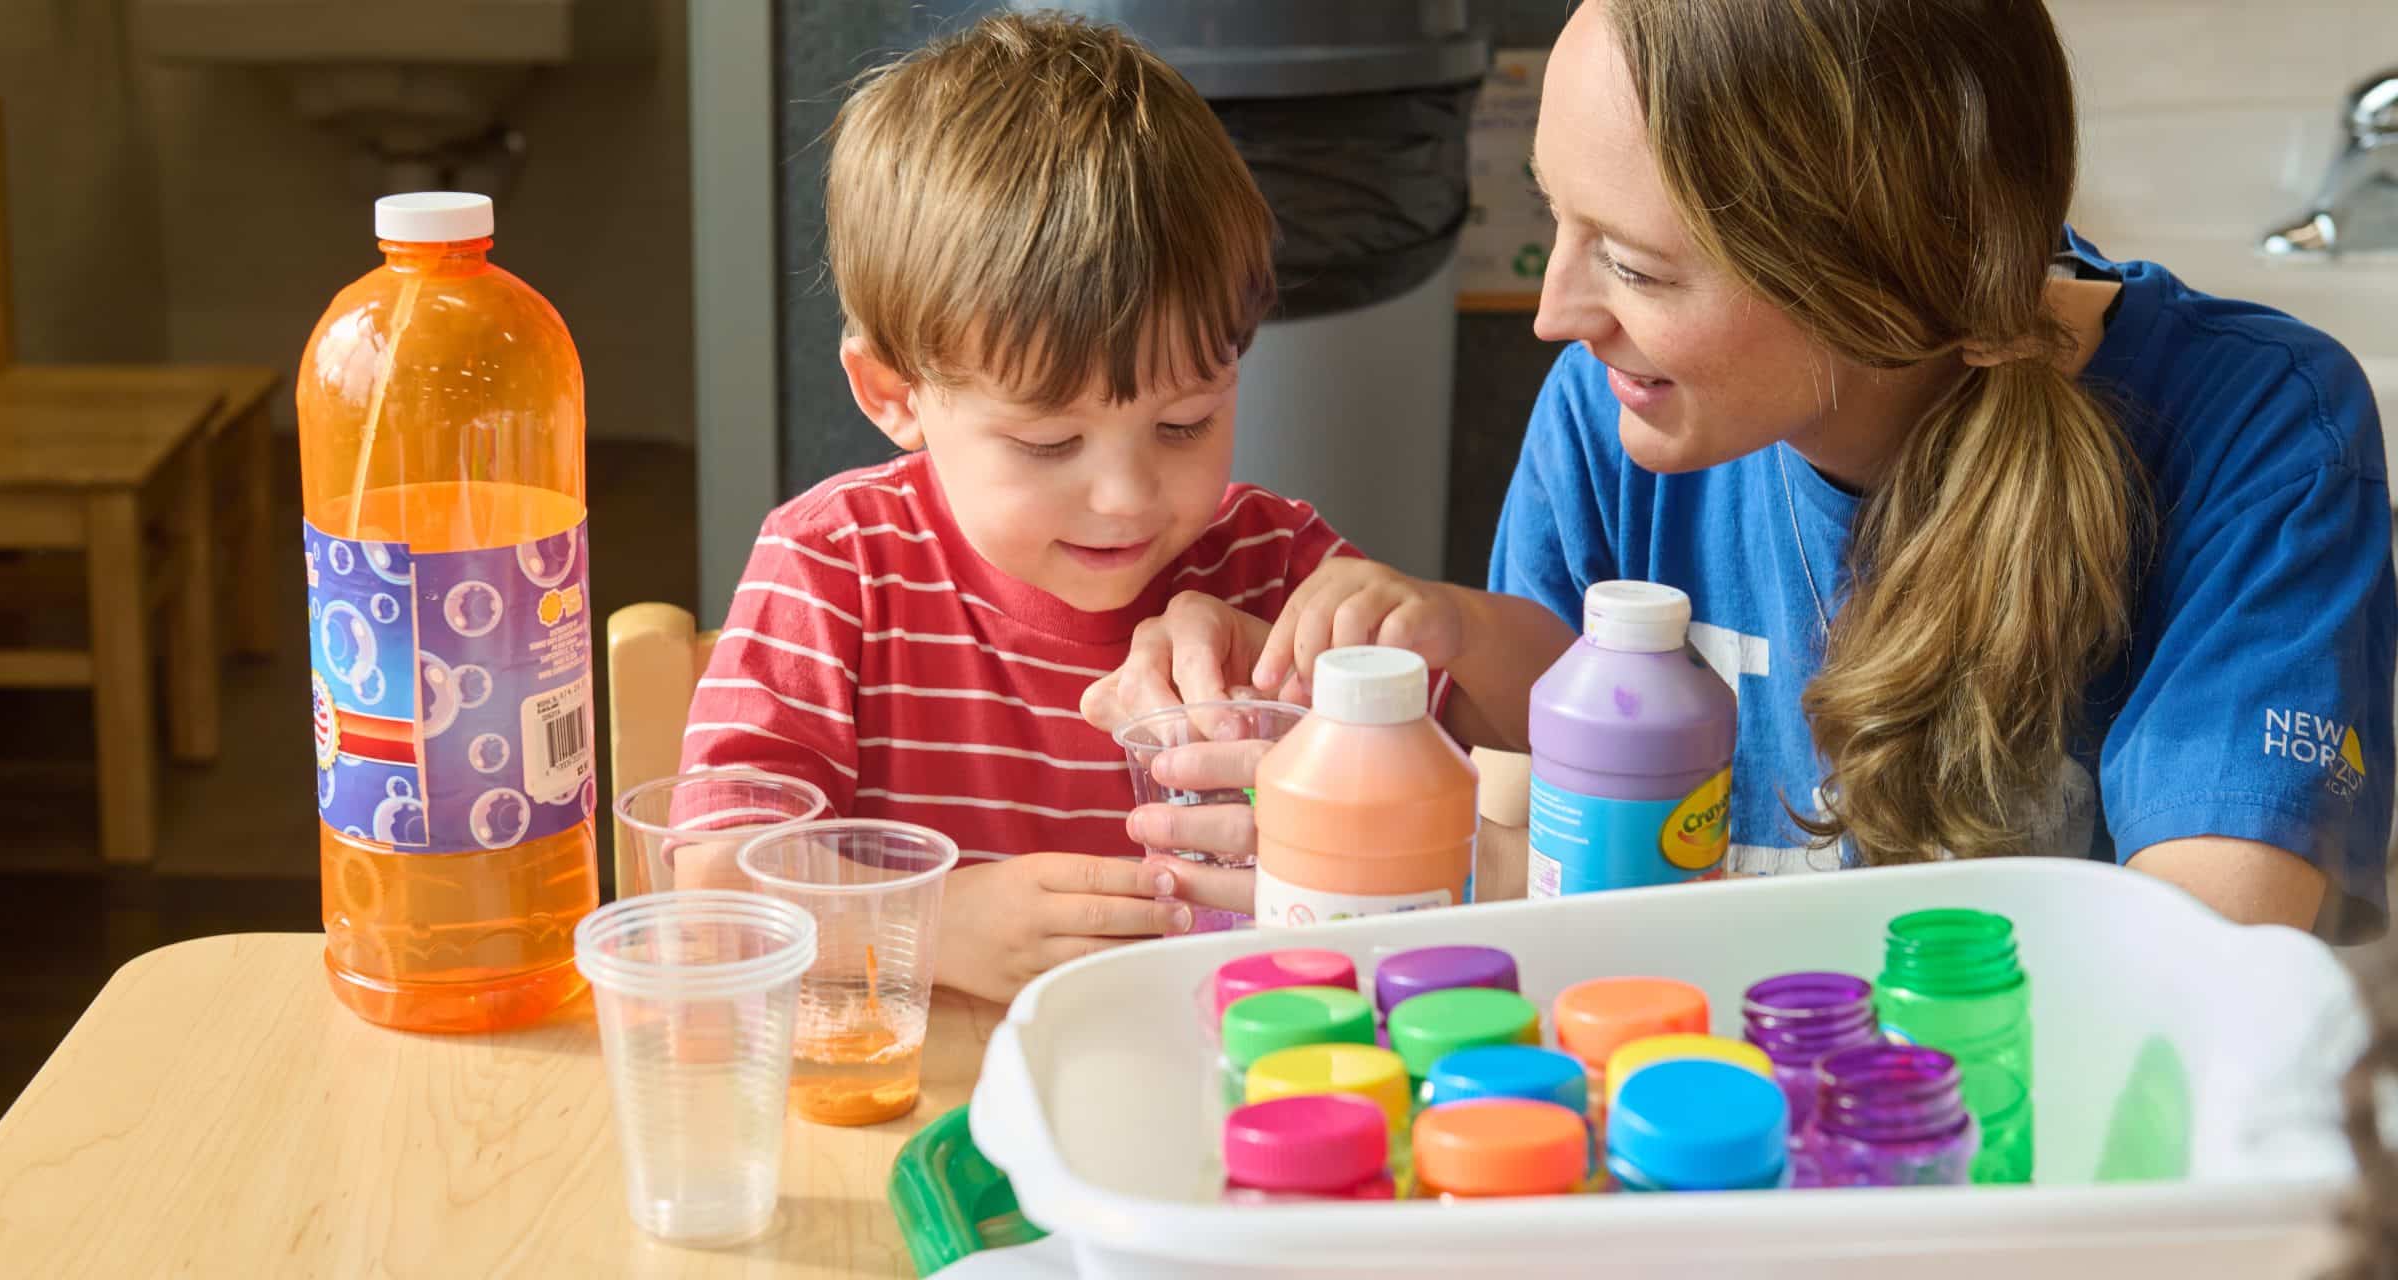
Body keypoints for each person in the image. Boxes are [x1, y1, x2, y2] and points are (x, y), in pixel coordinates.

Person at [1082, 0, 2395, 936]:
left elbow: (2202, 962)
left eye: (1636, 266)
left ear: (1875, 279)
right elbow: (1534, 867)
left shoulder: (2256, 430)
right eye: (1553, 219)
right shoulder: (1609, 415)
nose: (1555, 314)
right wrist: (1350, 791)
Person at [681, 13, 1376, 1002]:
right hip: (931, 1074)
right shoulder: (836, 566)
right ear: (893, 393)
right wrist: (929, 922)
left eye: (1184, 423)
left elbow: (1511, 763)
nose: (1126, 496)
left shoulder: (1278, 565)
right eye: (1049, 442)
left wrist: (1412, 646)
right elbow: (714, 879)